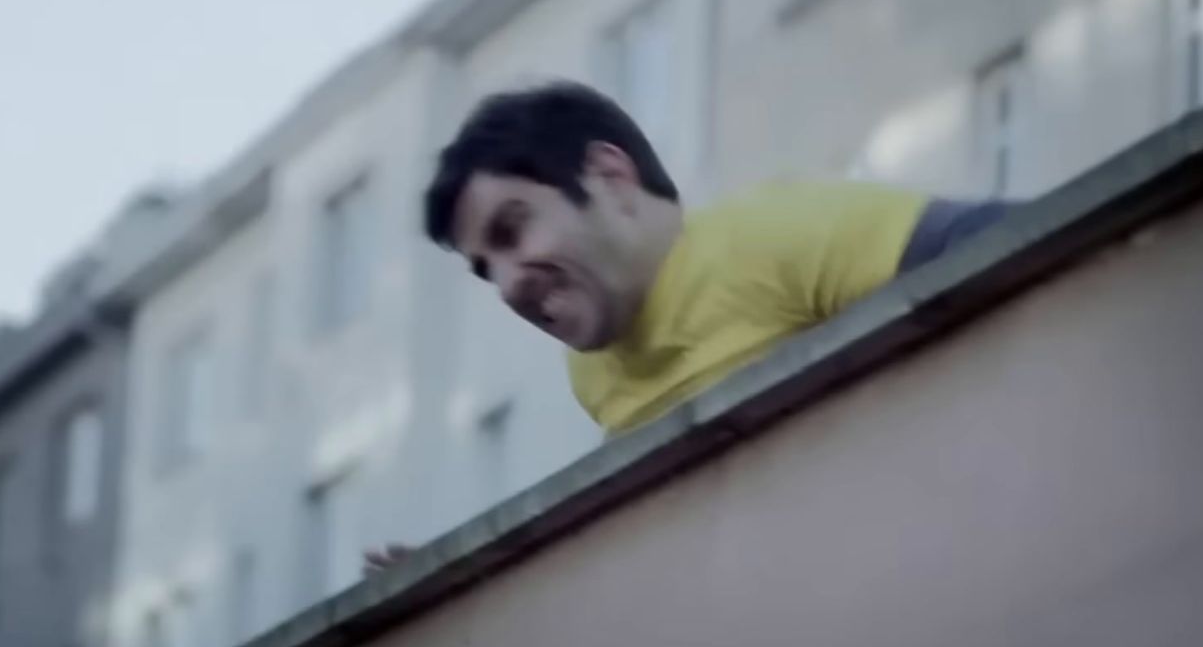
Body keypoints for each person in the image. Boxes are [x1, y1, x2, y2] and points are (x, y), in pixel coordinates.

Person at [363, 80, 1014, 575]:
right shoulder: (590, 374)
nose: (508, 285)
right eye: (487, 269)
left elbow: (1016, 239)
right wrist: (459, 583)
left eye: (513, 229)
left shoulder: (767, 236)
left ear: (611, 177)